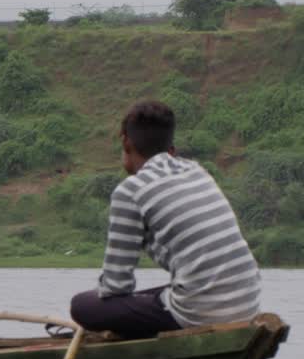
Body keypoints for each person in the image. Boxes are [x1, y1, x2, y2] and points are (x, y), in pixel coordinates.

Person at [70, 101, 261, 339]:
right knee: (152, 296)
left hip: (201, 312)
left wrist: (102, 295)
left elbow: (116, 286)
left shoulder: (130, 190)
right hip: (248, 303)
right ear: (171, 147)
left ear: (126, 142)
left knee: (83, 305)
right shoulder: (196, 170)